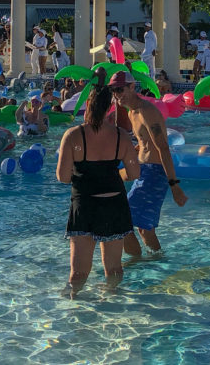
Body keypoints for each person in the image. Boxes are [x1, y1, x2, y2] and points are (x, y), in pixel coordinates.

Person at [56, 73, 140, 294]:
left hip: (84, 206)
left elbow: (63, 178)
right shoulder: (122, 136)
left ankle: (73, 308)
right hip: (114, 204)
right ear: (110, 107)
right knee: (113, 269)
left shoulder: (73, 136)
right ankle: (110, 307)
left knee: (78, 274)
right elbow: (133, 173)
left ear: (86, 104)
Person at [110, 71, 189, 257]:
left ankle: (138, 263)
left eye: (120, 89)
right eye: (114, 90)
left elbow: (163, 148)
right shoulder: (132, 112)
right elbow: (145, 142)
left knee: (121, 220)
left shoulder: (147, 111)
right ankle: (157, 260)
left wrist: (174, 185)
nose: (117, 94)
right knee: (144, 229)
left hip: (154, 174)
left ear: (131, 87)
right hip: (144, 171)